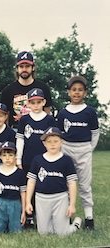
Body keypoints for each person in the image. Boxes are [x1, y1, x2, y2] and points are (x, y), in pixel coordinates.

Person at [57, 75, 100, 230]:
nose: (76, 93)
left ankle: (89, 219)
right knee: (67, 183)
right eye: (73, 90)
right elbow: (59, 135)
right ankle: (66, 216)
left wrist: (89, 148)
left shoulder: (90, 112)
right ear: (68, 92)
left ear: (85, 93)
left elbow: (95, 133)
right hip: (67, 148)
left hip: (84, 150)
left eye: (80, 90)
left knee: (84, 185)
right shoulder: (63, 113)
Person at [26, 127, 82, 235]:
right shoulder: (37, 160)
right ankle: (52, 223)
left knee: (62, 233)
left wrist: (72, 204)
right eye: (49, 142)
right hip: (41, 198)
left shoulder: (66, 160)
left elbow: (71, 183)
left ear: (62, 142)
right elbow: (31, 181)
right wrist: (28, 202)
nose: (52, 144)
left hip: (60, 198)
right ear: (44, 143)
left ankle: (75, 224)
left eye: (56, 141)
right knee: (43, 233)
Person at [16, 88, 56, 227]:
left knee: (43, 186)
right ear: (28, 103)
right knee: (28, 188)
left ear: (44, 102)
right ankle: (29, 216)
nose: (36, 105)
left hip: (45, 160)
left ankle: (43, 214)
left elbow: (54, 141)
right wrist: (18, 159)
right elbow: (20, 140)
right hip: (28, 160)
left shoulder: (49, 119)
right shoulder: (24, 120)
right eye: (33, 102)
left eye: (39, 102)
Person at [0, 51, 52, 129]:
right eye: (21, 66)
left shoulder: (43, 88)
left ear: (33, 68)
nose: (24, 69)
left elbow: (47, 112)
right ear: (17, 68)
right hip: (15, 129)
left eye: (27, 66)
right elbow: (5, 116)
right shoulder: (8, 90)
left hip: (38, 129)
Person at [0, 141, 26, 233]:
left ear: (15, 156)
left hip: (15, 203)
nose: (7, 158)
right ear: (0, 156)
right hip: (0, 203)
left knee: (16, 230)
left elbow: (23, 193)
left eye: (10, 155)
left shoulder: (20, 173)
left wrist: (23, 211)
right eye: (4, 155)